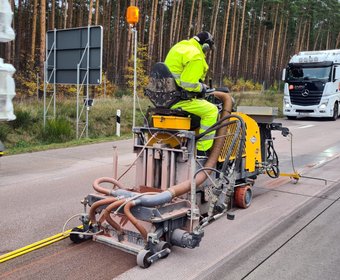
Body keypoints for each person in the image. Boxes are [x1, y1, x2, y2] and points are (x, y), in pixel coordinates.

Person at [164, 31, 218, 155]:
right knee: (211, 111)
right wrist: (203, 88)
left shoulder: (179, 47)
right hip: (178, 100)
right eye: (208, 49)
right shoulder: (196, 56)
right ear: (205, 46)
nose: (207, 52)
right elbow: (188, 83)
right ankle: (202, 152)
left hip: (164, 98)